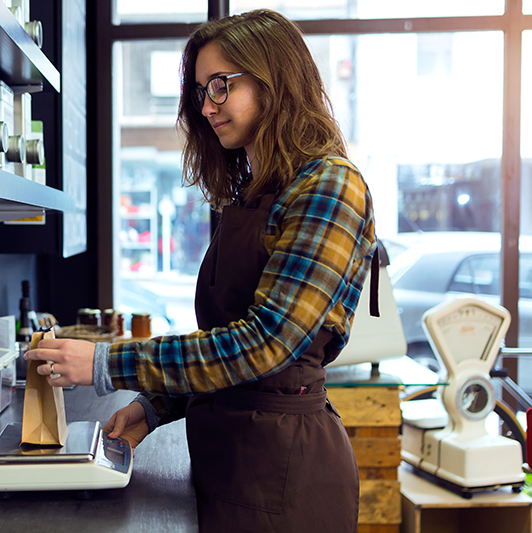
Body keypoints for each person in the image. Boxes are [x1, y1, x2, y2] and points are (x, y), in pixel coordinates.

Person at [26, 9, 376, 532]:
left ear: (275, 79)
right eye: (200, 91)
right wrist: (157, 406)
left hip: (287, 474)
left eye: (221, 85)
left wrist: (106, 363)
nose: (208, 106)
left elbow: (264, 345)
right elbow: (223, 341)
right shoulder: (258, 193)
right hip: (232, 457)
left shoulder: (331, 186)